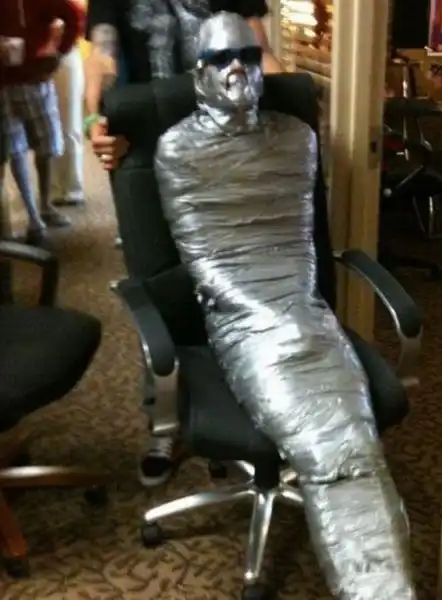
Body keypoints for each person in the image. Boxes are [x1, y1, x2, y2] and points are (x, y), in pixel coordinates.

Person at [155, 13, 417, 599]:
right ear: (198, 72)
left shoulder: (295, 138)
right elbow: (208, 267)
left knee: (356, 448)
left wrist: (300, 316)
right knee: (326, 455)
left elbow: (297, 250)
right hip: (244, 320)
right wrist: (275, 319)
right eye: (220, 59)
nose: (236, 70)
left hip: (305, 310)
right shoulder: (178, 150)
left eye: (248, 56)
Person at [84, 0, 282, 488]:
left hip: (227, 148)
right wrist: (95, 119)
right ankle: (167, 423)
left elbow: (259, 50)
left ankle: (234, 407)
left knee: (232, 284)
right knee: (161, 290)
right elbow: (102, 57)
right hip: (145, 155)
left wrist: (289, 98)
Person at [0, 1, 85, 244]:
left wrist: (58, 52)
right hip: (3, 85)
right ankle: (34, 216)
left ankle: (45, 206)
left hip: (37, 81)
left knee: (46, 147)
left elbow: (75, 16)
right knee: (15, 150)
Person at [51, 6, 86, 207]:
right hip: (37, 60)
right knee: (48, 128)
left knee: (70, 125)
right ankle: (54, 187)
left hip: (65, 56)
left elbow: (78, 19)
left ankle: (73, 188)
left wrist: (61, 44)